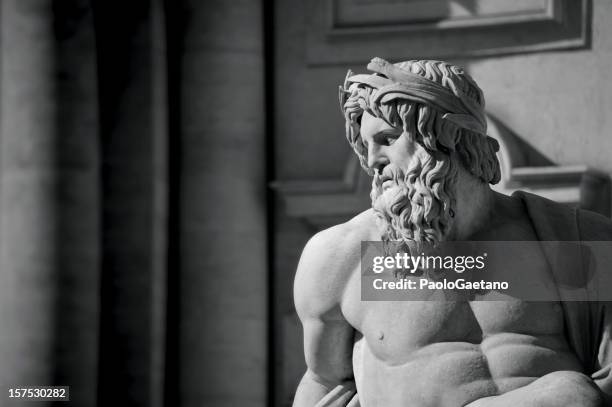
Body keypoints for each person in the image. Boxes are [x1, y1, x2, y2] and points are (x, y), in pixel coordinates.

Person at [292, 58, 612, 406]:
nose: (372, 160)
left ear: (449, 136)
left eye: (387, 138)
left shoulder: (570, 240)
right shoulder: (346, 255)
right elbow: (323, 383)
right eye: (366, 145)